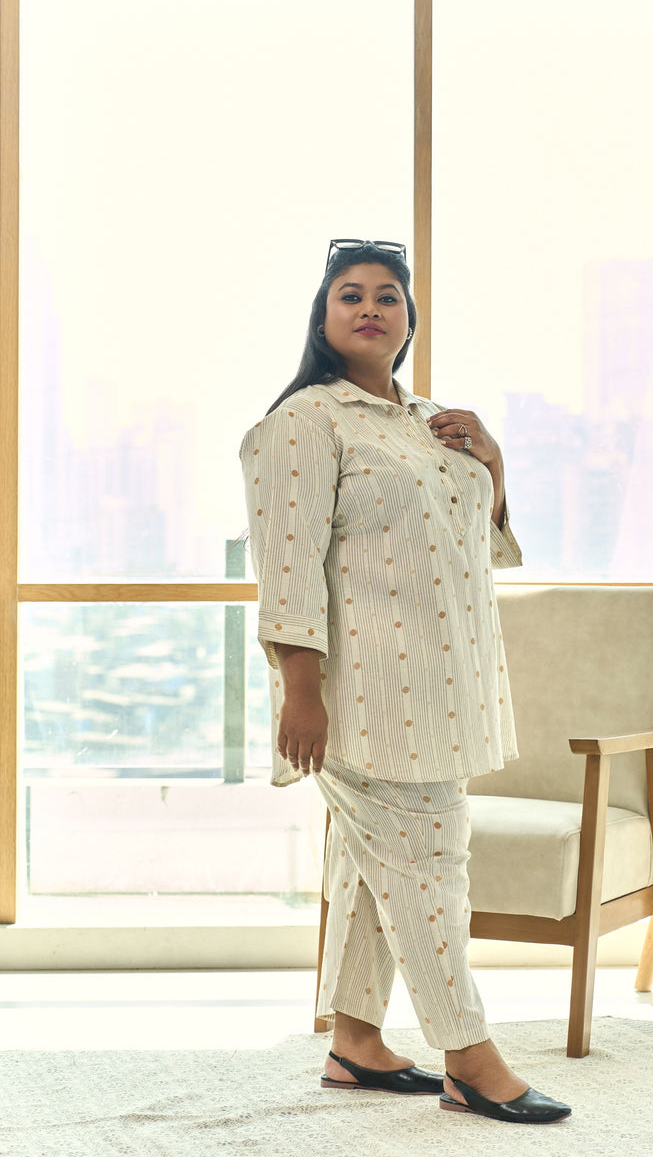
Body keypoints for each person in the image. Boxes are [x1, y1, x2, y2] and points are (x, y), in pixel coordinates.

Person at [240, 239, 571, 1125]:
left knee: (372, 862)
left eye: (388, 296)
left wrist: (493, 465)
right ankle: (471, 1057)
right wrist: (300, 690)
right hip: (368, 695)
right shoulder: (306, 421)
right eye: (350, 295)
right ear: (323, 319)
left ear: (408, 320)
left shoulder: (430, 421)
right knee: (430, 871)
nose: (370, 308)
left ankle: (356, 1044)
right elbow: (287, 566)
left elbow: (476, 548)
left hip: (447, 686)